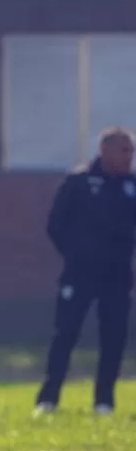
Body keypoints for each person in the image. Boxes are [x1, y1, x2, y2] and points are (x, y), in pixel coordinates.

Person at [34, 127, 136, 417]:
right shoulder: (77, 183)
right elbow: (55, 225)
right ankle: (48, 399)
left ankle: (104, 401)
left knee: (114, 337)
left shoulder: (131, 186)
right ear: (105, 150)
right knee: (65, 334)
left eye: (132, 151)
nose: (130, 157)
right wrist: (76, 254)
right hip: (79, 274)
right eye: (124, 150)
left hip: (116, 276)